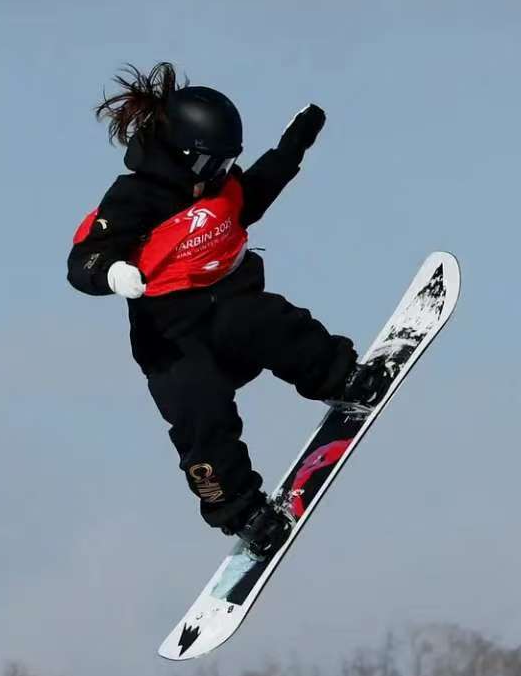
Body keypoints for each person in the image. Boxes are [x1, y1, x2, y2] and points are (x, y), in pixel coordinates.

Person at [66, 62, 367, 550]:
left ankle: (339, 376)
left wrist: (293, 148)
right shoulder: (134, 197)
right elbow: (84, 260)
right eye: (212, 166)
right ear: (181, 156)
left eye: (227, 165)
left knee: (265, 318)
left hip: (226, 316)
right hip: (171, 341)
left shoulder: (219, 191)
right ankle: (243, 512)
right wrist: (113, 273)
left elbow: (258, 190)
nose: (220, 176)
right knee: (199, 416)